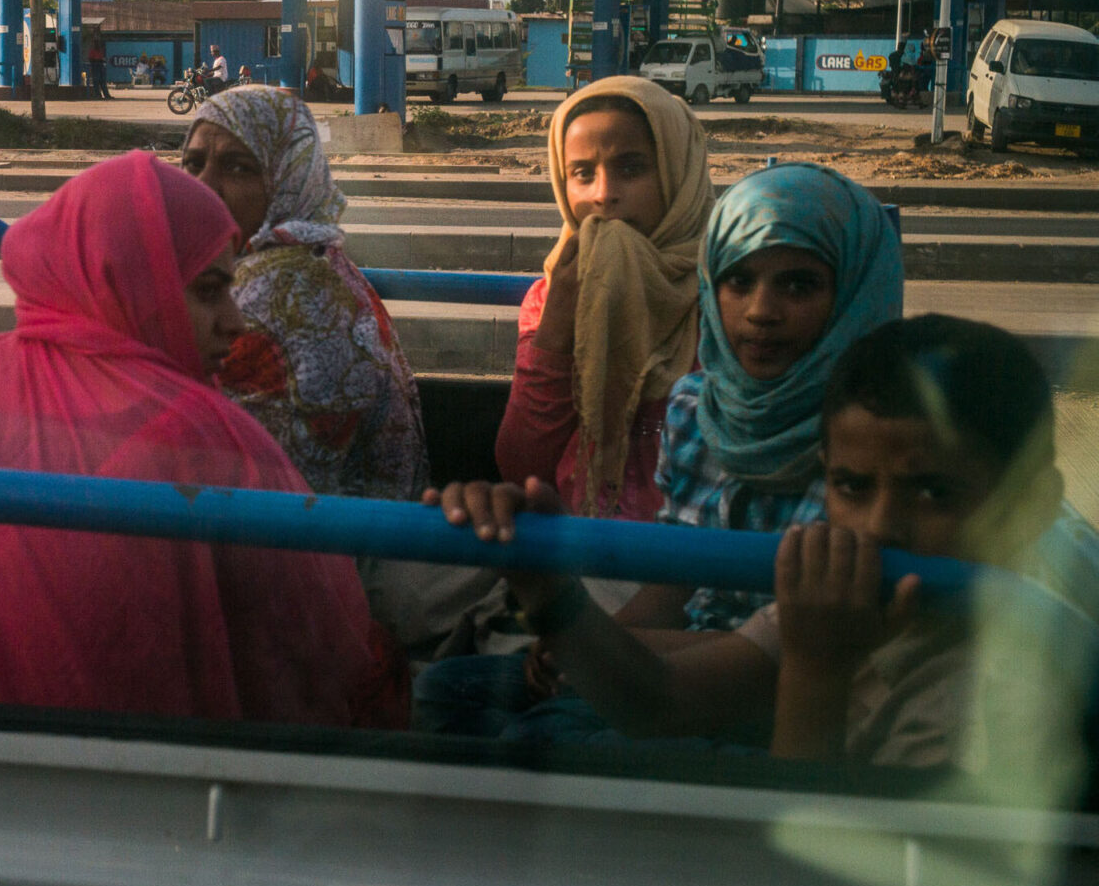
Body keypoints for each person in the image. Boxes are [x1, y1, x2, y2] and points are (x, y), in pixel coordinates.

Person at [0, 152, 404, 726]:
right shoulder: (200, 438)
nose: (236, 320)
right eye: (207, 291)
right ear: (130, 284)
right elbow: (317, 660)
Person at [434, 316, 1088, 783]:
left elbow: (799, 881)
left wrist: (815, 673)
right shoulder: (863, 590)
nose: (881, 528)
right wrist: (546, 593)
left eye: (935, 493)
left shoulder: (1005, 694)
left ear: (1031, 505)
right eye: (853, 487)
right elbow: (662, 700)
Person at [416, 161, 906, 734]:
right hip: (676, 659)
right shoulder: (698, 407)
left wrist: (595, 642)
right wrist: (587, 643)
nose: (761, 312)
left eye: (799, 284)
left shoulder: (871, 455)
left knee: (539, 735)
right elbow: (672, 583)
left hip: (781, 695)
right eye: (738, 281)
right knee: (445, 691)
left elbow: (795, 645)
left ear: (853, 292)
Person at [183, 86, 427, 502]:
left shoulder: (261, 303)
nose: (204, 185)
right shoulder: (314, 263)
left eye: (237, 168)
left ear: (289, 177)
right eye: (193, 163)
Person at [496, 77, 711, 521]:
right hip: (580, 545)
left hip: (692, 560)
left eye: (631, 168)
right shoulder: (550, 296)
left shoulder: (732, 292)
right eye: (582, 173)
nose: (603, 194)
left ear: (677, 171)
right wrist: (557, 327)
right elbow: (521, 467)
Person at [85, 34, 112, 100]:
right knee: (97, 81)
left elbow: (100, 58)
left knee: (102, 81)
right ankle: (98, 95)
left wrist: (101, 60)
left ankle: (106, 95)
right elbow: (91, 59)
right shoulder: (93, 51)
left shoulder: (100, 51)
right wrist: (98, 60)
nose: (98, 45)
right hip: (96, 66)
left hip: (100, 66)